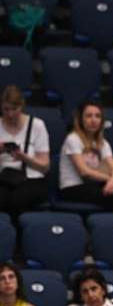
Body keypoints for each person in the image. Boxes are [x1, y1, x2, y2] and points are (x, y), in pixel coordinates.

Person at [58, 100, 113, 211]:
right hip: (72, 188)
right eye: (89, 116)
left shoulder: (102, 143)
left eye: (97, 116)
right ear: (80, 119)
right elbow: (84, 172)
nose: (94, 120)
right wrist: (112, 180)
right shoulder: (73, 139)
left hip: (93, 184)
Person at [0, 85, 51, 218]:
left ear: (21, 106)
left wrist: (24, 157)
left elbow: (45, 166)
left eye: (14, 109)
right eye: (6, 109)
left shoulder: (37, 125)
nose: (10, 114)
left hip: (31, 179)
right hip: (4, 177)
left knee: (17, 200)